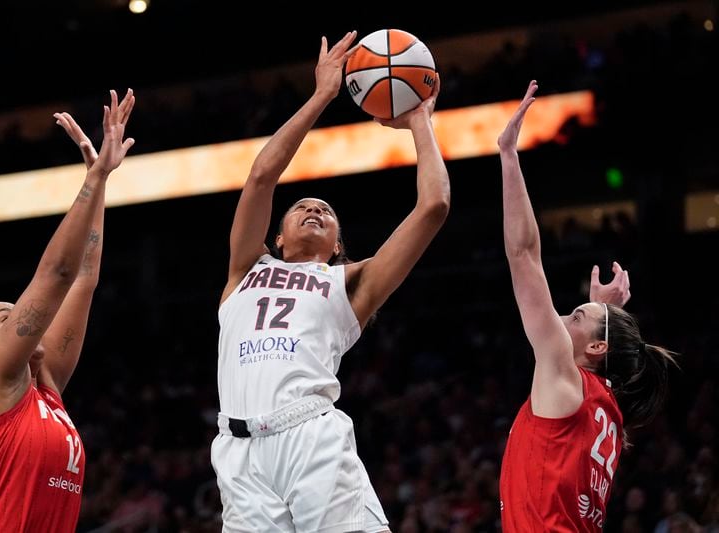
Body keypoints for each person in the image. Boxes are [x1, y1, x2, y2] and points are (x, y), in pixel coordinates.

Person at [211, 31, 449, 533]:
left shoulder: (351, 284)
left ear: (339, 244)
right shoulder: (245, 270)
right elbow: (260, 178)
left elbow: (433, 207)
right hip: (237, 454)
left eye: (326, 211)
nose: (315, 208)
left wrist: (421, 122)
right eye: (302, 207)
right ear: (275, 237)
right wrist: (321, 96)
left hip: (309, 438)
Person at [0, 89, 135, 532]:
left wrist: (101, 180)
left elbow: (81, 279)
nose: (25, 319)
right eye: (8, 317)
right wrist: (91, 181)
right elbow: (56, 274)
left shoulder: (46, 387)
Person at [496, 80, 677, 532]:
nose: (561, 316)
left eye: (575, 315)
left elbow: (523, 255)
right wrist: (599, 314)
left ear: (597, 349)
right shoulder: (607, 410)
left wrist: (509, 157)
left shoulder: (564, 371)